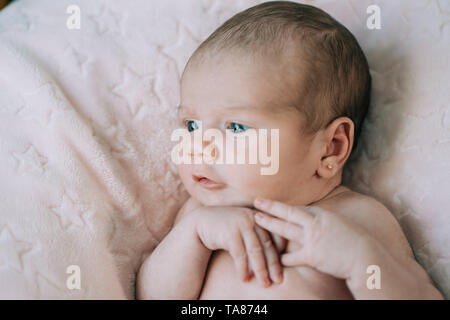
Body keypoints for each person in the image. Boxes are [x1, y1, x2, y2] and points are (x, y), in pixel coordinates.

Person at [137, 1, 443, 299]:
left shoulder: (358, 220)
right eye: (191, 125)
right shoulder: (200, 213)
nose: (199, 146)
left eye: (237, 128)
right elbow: (151, 296)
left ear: (330, 148)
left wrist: (361, 262)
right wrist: (194, 234)